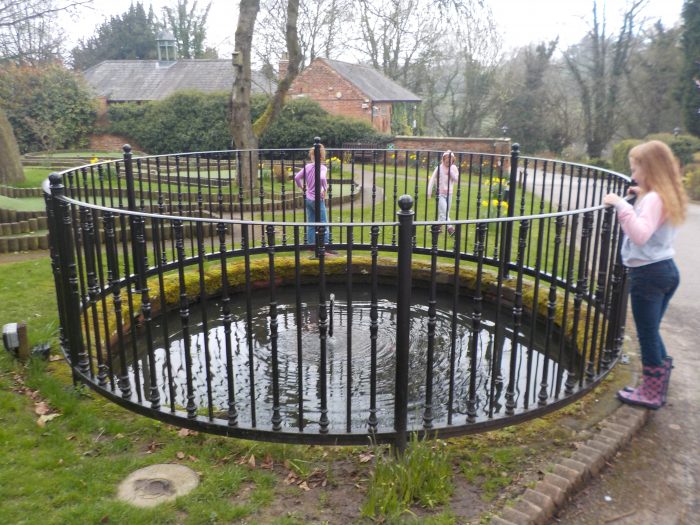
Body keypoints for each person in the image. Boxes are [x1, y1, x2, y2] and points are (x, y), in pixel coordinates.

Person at [603, 140, 688, 409]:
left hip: (648, 275)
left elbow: (640, 235)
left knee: (647, 334)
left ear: (649, 168)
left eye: (636, 168)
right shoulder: (666, 193)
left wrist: (621, 205)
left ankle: (650, 393)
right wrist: (639, 196)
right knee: (652, 331)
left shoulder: (653, 199)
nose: (633, 175)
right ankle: (660, 380)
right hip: (667, 270)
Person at [294, 143, 336, 255]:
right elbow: (322, 177)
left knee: (311, 222)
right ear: (322, 157)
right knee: (323, 222)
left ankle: (311, 245)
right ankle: (325, 246)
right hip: (317, 199)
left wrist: (302, 187)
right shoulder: (322, 167)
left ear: (311, 156)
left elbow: (296, 177)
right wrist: (325, 188)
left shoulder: (307, 167)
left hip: (308, 198)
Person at [427, 150, 460, 236]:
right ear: (443, 158)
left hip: (450, 194)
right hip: (440, 194)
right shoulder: (439, 167)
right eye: (447, 158)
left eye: (451, 159)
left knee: (444, 212)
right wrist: (429, 192)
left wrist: (451, 172)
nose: (448, 160)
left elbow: (456, 180)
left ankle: (437, 227)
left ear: (453, 160)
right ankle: (450, 228)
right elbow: (432, 178)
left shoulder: (454, 168)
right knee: (444, 212)